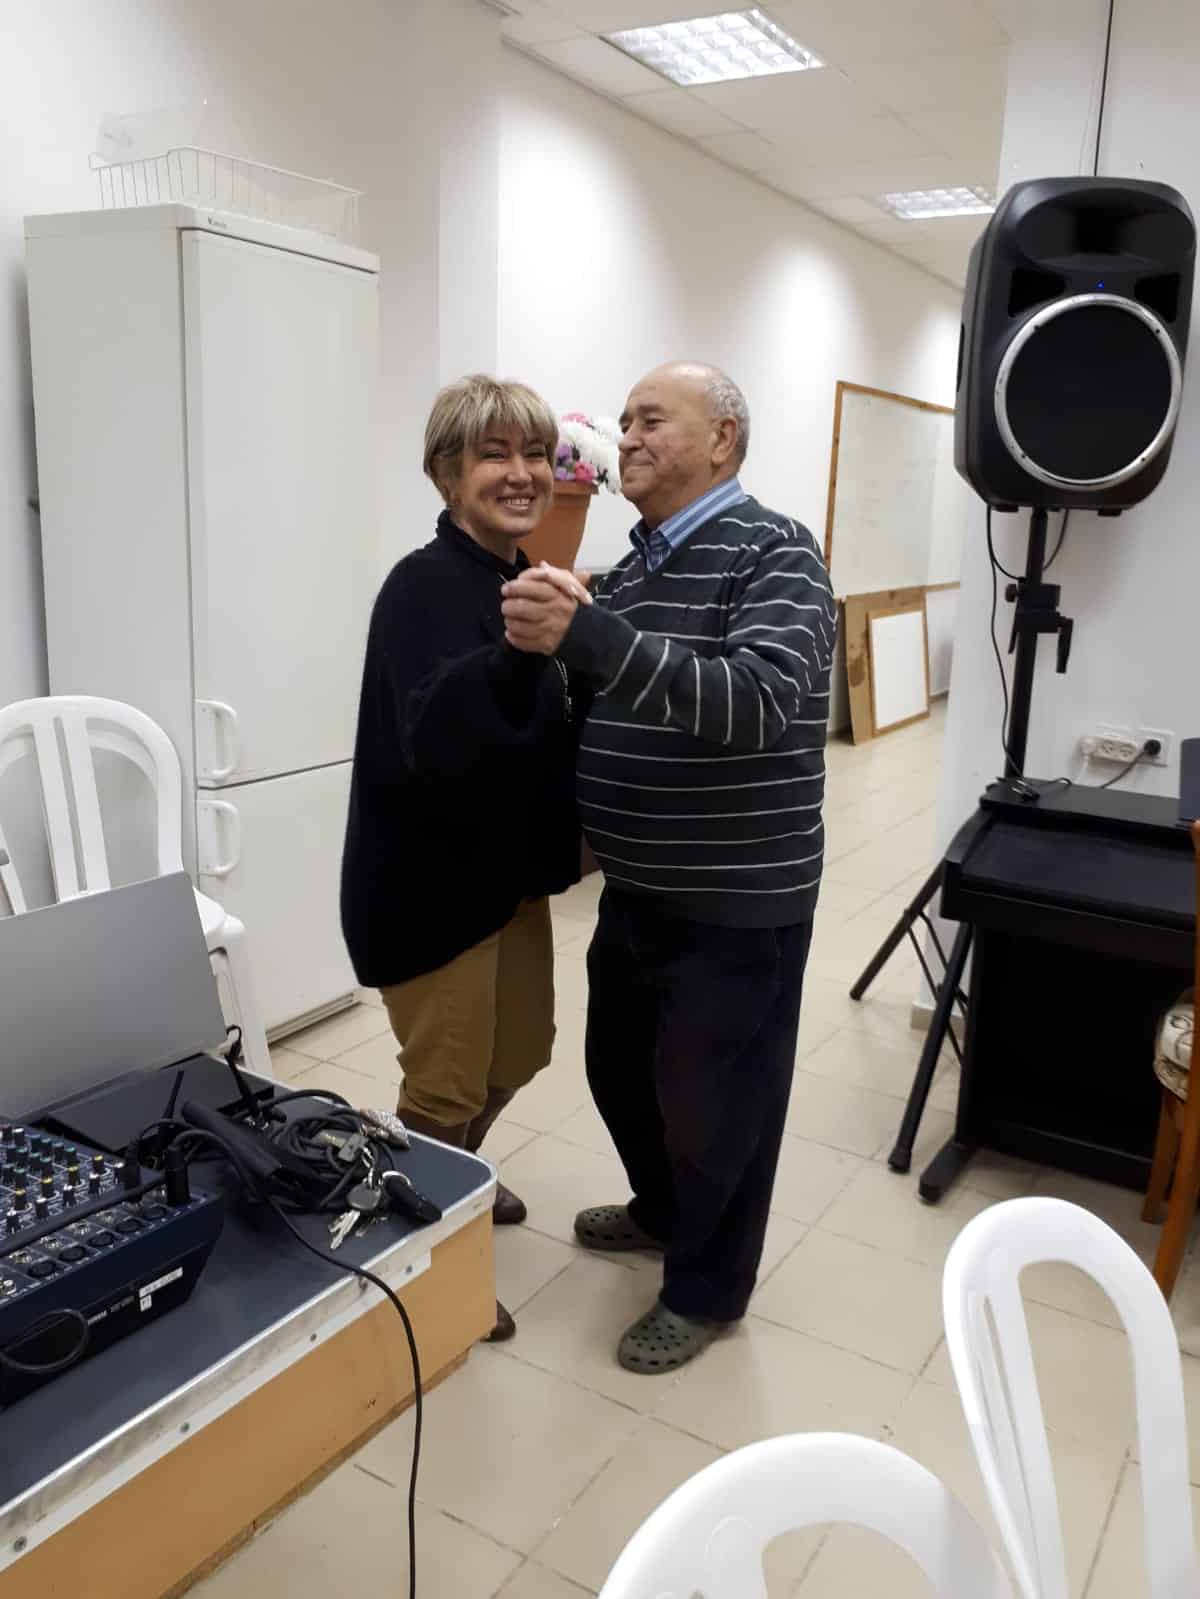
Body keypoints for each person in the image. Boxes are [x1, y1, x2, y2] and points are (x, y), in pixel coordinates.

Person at [500, 361, 835, 1372]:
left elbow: (756, 702)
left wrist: (593, 636)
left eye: (653, 420)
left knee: (718, 1108)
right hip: (640, 889)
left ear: (722, 440)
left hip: (736, 900)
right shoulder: (635, 566)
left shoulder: (776, 552)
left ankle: (706, 1288)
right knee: (620, 1071)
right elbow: (615, 694)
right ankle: (662, 1208)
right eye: (626, 421)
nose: (629, 438)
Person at [341, 374, 591, 1344]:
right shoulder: (422, 587)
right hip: (428, 890)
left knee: (520, 1051)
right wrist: (521, 654)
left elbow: (540, 731)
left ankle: (452, 1175)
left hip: (505, 880)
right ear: (448, 475)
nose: (521, 473)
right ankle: (424, 1249)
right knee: (444, 1085)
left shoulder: (517, 578)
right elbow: (440, 741)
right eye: (494, 454)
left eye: (535, 454)